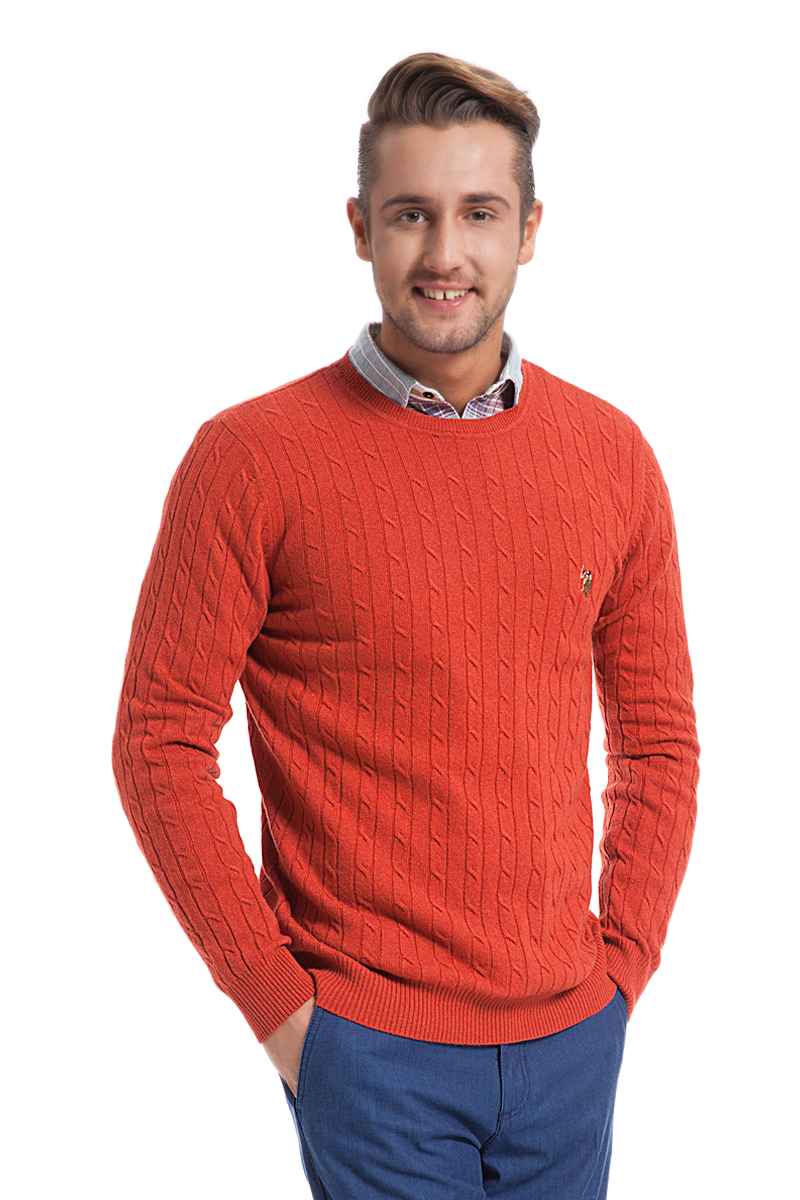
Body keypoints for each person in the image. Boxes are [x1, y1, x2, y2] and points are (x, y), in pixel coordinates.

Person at [112, 51, 699, 1200]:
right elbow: (158, 741)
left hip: (571, 1042)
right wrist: (283, 1013)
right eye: (409, 214)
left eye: (478, 213)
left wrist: (620, 972)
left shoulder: (611, 455)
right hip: (367, 1050)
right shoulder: (249, 460)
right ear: (359, 227)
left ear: (527, 231)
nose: (443, 254)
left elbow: (657, 739)